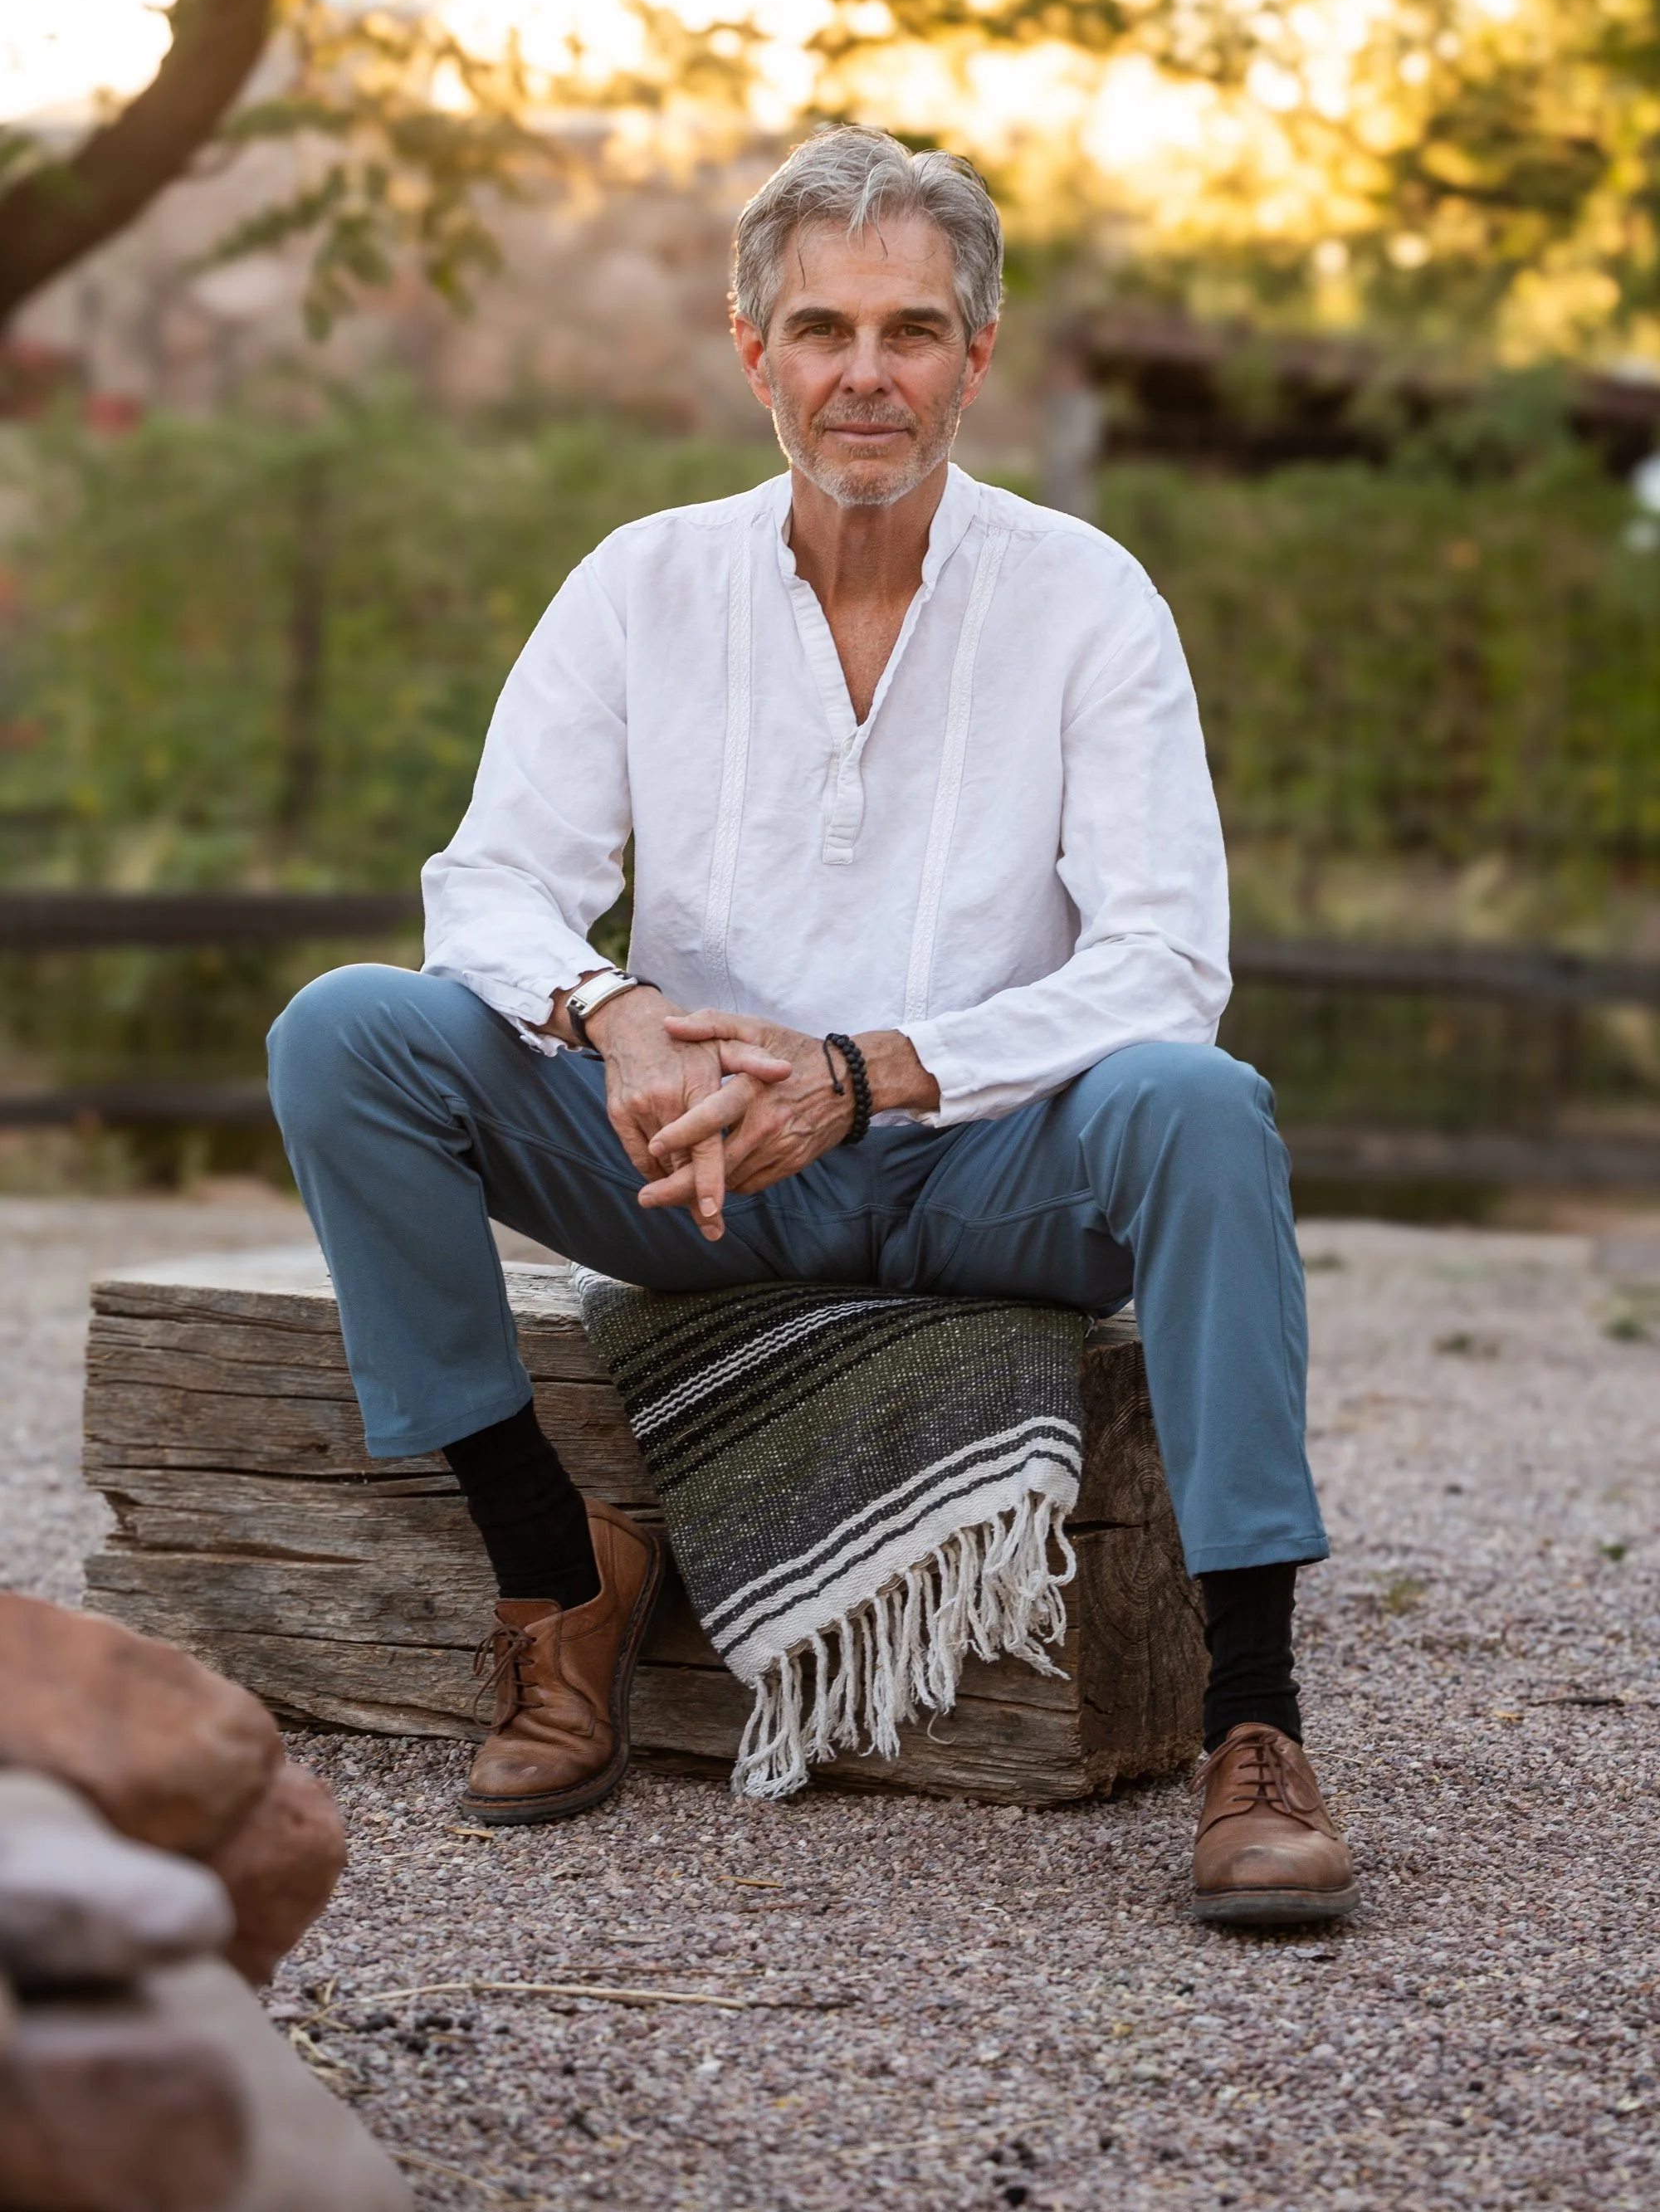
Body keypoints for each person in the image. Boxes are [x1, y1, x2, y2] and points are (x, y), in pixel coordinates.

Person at [268, 125, 1355, 1926]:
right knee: (345, 1034)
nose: (867, 373)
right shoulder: (642, 582)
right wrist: (614, 1015)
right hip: (698, 1167)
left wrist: (869, 1077)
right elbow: (491, 887)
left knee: (1201, 1102)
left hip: (990, 1172)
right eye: (823, 329)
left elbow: (1168, 961)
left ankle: (1255, 1723)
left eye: (911, 330)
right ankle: (558, 1582)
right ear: (751, 349)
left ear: (975, 358)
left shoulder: (1089, 597)